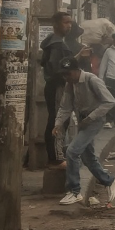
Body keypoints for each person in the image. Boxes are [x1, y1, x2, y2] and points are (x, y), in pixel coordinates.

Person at [52, 57, 115, 206]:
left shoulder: (92, 80)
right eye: (63, 75)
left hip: (94, 120)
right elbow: (65, 107)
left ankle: (74, 191)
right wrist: (58, 124)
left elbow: (109, 102)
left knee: (72, 151)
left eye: (68, 74)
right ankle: (109, 180)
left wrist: (91, 117)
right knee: (87, 157)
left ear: (77, 71)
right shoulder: (70, 84)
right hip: (82, 120)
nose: (66, 77)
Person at [41, 13, 79, 167]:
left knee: (57, 119)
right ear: (56, 24)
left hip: (55, 86)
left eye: (70, 22)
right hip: (57, 87)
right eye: (65, 22)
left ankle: (56, 156)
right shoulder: (57, 45)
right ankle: (56, 158)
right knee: (58, 121)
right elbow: (57, 69)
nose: (69, 25)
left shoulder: (53, 42)